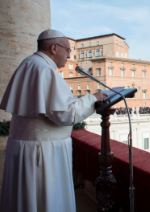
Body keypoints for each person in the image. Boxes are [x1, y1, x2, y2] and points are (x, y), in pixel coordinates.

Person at [0, 29, 107, 212]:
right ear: (54, 47)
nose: (69, 55)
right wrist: (93, 98)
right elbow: (66, 115)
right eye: (67, 50)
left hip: (27, 147)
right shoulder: (44, 70)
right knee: (46, 199)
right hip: (42, 151)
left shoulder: (29, 64)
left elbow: (51, 105)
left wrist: (78, 99)